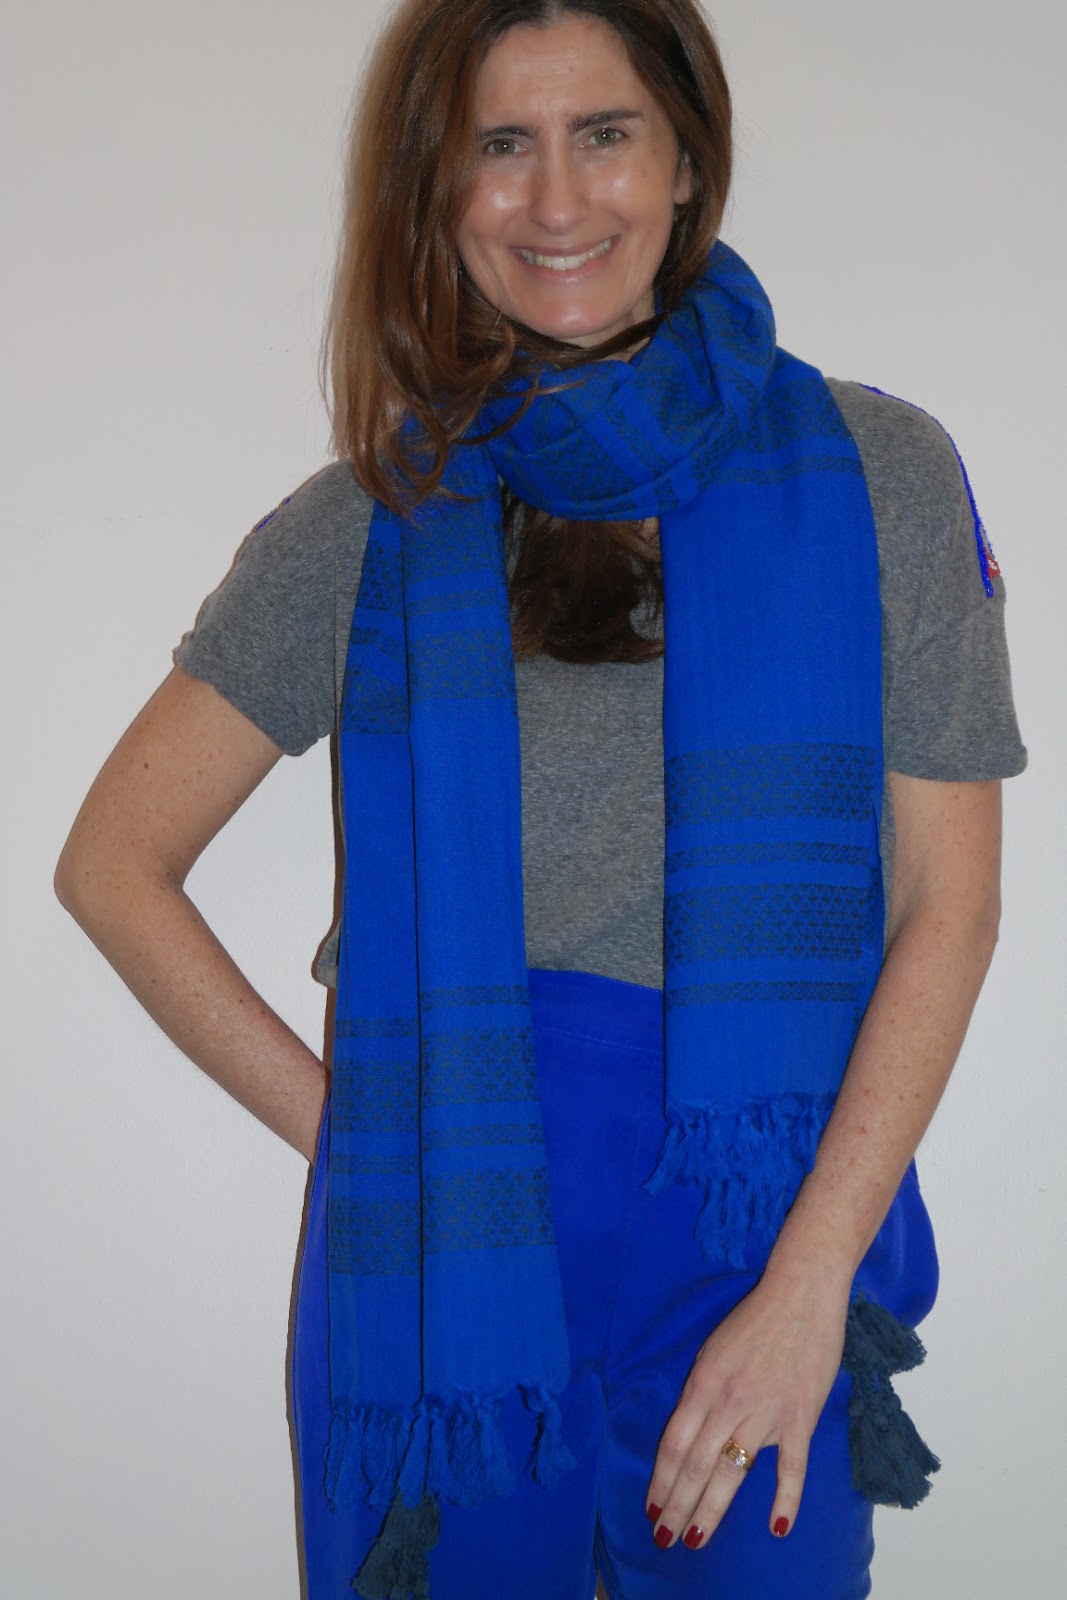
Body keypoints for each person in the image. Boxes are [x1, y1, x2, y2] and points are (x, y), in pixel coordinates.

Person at [54, 0, 1026, 1596]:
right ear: (440, 191)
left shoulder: (879, 475)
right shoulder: (372, 524)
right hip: (456, 1249)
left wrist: (808, 1289)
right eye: (501, 145)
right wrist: (358, 1132)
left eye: (605, 134)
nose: (556, 198)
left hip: (759, 1229)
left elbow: (951, 905)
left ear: (687, 158)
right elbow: (114, 863)